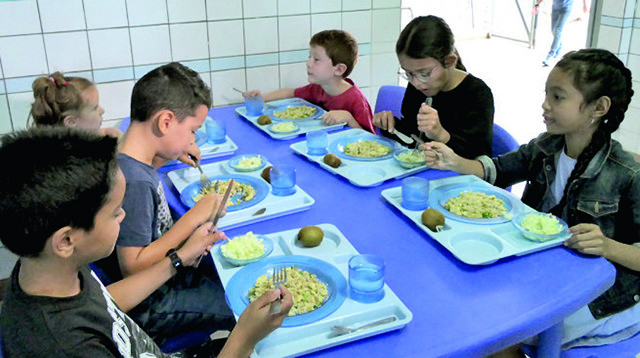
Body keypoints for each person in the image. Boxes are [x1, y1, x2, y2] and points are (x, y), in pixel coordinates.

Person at [0, 127, 293, 357]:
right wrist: (243, 337)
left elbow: (105, 301)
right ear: (65, 240)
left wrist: (177, 259)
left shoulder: (48, 270)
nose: (124, 214)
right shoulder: (65, 346)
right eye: (115, 212)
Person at [424, 49, 640, 355]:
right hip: (546, 272)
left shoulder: (627, 174)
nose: (545, 105)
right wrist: (456, 162)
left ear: (598, 107)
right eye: (546, 94)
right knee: (468, 306)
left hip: (600, 297)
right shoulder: (547, 146)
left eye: (558, 97)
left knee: (496, 331)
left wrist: (606, 246)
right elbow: (499, 170)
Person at [93, 62, 235, 346]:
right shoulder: (134, 182)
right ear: (165, 122)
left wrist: (171, 151)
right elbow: (132, 267)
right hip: (152, 302)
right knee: (239, 302)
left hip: (162, 278)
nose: (193, 139)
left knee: (227, 267)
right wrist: (193, 217)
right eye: (193, 130)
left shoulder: (131, 158)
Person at [373, 15, 495, 159]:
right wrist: (391, 126)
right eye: (408, 73)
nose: (416, 83)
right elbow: (413, 136)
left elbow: (480, 161)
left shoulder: (476, 94)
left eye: (424, 73)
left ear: (449, 62)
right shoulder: (419, 85)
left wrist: (441, 135)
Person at [29, 71, 201, 168]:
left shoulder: (81, 141)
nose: (102, 111)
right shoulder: (81, 165)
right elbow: (138, 174)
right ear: (71, 123)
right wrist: (170, 151)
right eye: (95, 108)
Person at [244, 29, 375, 133]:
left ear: (339, 69)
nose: (308, 63)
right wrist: (262, 98)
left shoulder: (356, 100)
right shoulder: (318, 87)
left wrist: (348, 118)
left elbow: (370, 140)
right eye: (309, 57)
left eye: (316, 59)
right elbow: (291, 93)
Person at [533, 0, 590, 67]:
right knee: (553, 31)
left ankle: (550, 56)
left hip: (566, 9)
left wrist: (585, 5)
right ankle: (559, 46)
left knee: (557, 30)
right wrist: (537, 5)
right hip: (555, 8)